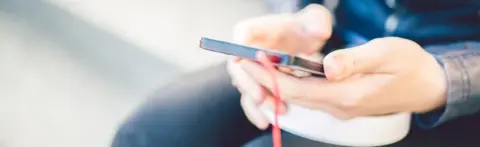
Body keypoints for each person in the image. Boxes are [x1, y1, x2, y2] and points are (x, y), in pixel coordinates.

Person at [111, 1, 480, 147]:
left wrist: (445, 80)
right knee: (151, 134)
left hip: (460, 87)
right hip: (336, 42)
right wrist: (303, 13)